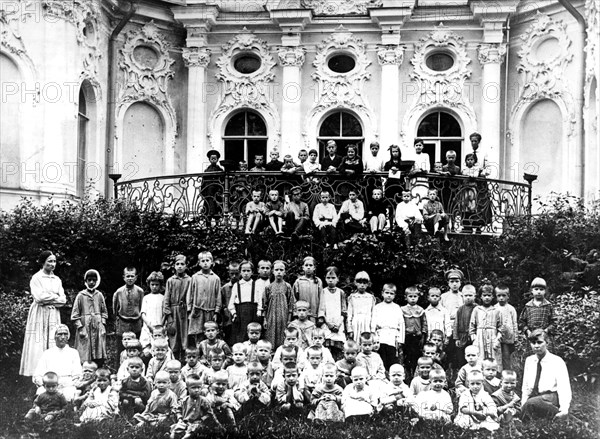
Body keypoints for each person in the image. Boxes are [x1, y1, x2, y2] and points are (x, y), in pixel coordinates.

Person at [20, 250, 67, 377]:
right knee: (38, 342)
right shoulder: (36, 278)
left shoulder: (57, 279)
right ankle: (37, 376)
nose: (53, 264)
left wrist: (49, 299)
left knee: (52, 340)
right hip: (39, 314)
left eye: (54, 261)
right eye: (49, 261)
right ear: (43, 263)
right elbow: (39, 297)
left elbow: (63, 299)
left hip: (53, 314)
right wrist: (54, 297)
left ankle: (52, 374)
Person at [521, 329, 571, 421]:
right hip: (534, 395)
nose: (536, 346)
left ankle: (563, 416)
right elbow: (526, 386)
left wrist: (564, 409)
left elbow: (564, 387)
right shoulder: (529, 360)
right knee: (526, 405)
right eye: (533, 343)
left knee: (530, 404)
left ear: (547, 343)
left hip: (550, 396)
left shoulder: (556, 361)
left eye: (540, 342)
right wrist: (523, 404)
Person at [33, 324, 82, 401]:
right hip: (49, 385)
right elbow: (38, 374)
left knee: (70, 395)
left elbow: (77, 374)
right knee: (41, 393)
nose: (63, 337)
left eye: (65, 334)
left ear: (68, 336)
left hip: (67, 386)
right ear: (55, 336)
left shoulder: (74, 353)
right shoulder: (47, 353)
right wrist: (47, 384)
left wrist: (68, 383)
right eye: (60, 334)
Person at [72, 269, 108, 366]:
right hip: (85, 326)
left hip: (98, 326)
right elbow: (75, 315)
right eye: (89, 280)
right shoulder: (81, 295)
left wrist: (102, 325)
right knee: (85, 350)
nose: (91, 282)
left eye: (94, 280)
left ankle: (98, 369)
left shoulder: (99, 295)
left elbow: (104, 312)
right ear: (85, 281)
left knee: (98, 350)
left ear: (97, 281)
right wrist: (80, 327)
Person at [188, 251, 222, 345]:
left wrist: (216, 311)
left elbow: (218, 296)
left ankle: (210, 354)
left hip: (210, 311)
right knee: (198, 334)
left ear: (212, 262)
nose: (205, 263)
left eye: (207, 260)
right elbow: (190, 294)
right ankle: (198, 353)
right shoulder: (195, 277)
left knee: (210, 333)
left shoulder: (215, 278)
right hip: (197, 311)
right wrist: (189, 310)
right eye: (203, 261)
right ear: (199, 263)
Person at [170, 374, 219, 439]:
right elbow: (178, 410)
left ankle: (185, 437)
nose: (197, 390)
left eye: (199, 387)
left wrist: (202, 419)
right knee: (176, 428)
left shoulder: (203, 400)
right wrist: (180, 418)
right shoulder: (184, 400)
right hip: (185, 422)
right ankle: (172, 436)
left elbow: (209, 413)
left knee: (193, 429)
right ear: (187, 389)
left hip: (197, 423)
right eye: (193, 388)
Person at [469, 284, 503, 371]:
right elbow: (472, 327)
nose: (487, 298)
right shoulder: (477, 309)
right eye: (484, 295)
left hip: (492, 337)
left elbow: (501, 327)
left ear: (493, 297)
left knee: (494, 357)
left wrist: (497, 339)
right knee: (480, 357)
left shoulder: (496, 310)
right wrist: (475, 339)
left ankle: (494, 377)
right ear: (480, 296)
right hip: (480, 337)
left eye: (489, 295)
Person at [164, 255, 191, 359]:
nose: (180, 266)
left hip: (185, 311)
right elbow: (166, 299)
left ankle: (185, 361)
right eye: (177, 264)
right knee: (174, 335)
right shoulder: (171, 280)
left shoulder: (189, 279)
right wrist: (168, 315)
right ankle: (174, 360)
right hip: (173, 311)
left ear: (186, 266)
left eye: (182, 264)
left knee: (185, 337)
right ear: (174, 266)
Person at [372, 283, 405, 371]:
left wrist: (400, 339)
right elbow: (373, 323)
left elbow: (401, 324)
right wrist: (374, 336)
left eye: (391, 294)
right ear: (382, 293)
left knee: (392, 357)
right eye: (387, 293)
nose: (389, 295)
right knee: (381, 357)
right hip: (381, 335)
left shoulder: (397, 307)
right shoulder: (377, 307)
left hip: (392, 336)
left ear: (395, 295)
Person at [263, 260, 295, 349]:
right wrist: (265, 319)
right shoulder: (268, 287)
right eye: (277, 270)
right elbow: (264, 305)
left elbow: (290, 304)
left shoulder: (287, 286)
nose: (279, 272)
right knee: (271, 334)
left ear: (284, 272)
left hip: (283, 316)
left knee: (283, 334)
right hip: (271, 316)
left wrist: (289, 319)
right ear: (273, 271)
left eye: (281, 270)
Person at [113, 267, 145, 354]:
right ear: (124, 277)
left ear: (136, 277)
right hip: (123, 323)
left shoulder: (140, 291)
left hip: (136, 322)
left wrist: (141, 321)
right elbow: (115, 309)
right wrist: (116, 321)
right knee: (121, 347)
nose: (130, 278)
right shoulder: (119, 292)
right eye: (128, 276)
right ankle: (119, 366)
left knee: (136, 346)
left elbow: (142, 307)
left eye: (132, 276)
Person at [318, 266, 347, 360]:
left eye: (333, 278)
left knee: (338, 349)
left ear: (338, 278)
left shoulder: (341, 292)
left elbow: (344, 310)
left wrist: (338, 324)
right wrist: (328, 323)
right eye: (328, 278)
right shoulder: (323, 291)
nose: (331, 280)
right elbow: (321, 309)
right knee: (327, 349)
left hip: (338, 324)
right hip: (327, 325)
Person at [229, 260, 261, 344]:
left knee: (253, 331)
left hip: (253, 311)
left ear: (252, 272)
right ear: (240, 272)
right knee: (241, 332)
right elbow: (231, 302)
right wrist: (234, 313)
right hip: (240, 312)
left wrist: (259, 311)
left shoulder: (256, 284)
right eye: (243, 271)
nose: (246, 273)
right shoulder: (237, 285)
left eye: (248, 271)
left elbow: (260, 299)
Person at [401, 286, 428, 377]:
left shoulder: (420, 310)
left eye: (415, 296)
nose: (413, 298)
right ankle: (408, 375)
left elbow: (424, 323)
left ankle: (416, 374)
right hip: (407, 337)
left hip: (417, 337)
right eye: (410, 296)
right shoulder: (402, 309)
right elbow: (401, 323)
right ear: (406, 297)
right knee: (407, 357)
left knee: (416, 357)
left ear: (418, 297)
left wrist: (423, 335)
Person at [519, 277, 554, 343]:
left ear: (545, 291)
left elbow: (554, 321)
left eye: (541, 289)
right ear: (532, 290)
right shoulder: (528, 306)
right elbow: (521, 322)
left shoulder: (548, 305)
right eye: (536, 289)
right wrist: (528, 332)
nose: (538, 292)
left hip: (545, 336)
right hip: (532, 336)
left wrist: (546, 331)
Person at [140, 271, 166, 357]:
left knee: (159, 347)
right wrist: (148, 324)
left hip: (159, 326)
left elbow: (165, 313)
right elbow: (143, 313)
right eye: (152, 284)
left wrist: (161, 325)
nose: (154, 287)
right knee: (147, 349)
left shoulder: (163, 298)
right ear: (149, 285)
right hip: (148, 326)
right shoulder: (146, 298)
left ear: (160, 285)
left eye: (157, 285)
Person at [346, 271, 376, 343]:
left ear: (368, 284)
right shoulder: (352, 297)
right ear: (355, 283)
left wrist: (372, 329)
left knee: (366, 343)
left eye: (364, 283)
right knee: (355, 343)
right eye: (359, 282)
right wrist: (349, 329)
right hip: (356, 323)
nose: (362, 285)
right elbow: (349, 314)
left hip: (367, 323)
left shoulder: (371, 297)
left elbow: (373, 314)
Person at [453, 284, 476, 368]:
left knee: (473, 355)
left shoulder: (477, 308)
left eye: (470, 295)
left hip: (473, 336)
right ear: (462, 296)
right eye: (466, 296)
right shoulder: (460, 309)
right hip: (462, 336)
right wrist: (456, 338)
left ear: (475, 296)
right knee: (461, 357)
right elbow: (456, 324)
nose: (468, 297)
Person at [495, 284, 518, 371]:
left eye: (503, 295)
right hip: (497, 338)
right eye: (499, 295)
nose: (501, 298)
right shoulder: (494, 308)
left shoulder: (511, 309)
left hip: (508, 338)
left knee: (506, 357)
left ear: (508, 296)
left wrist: (516, 337)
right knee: (497, 358)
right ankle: (498, 375)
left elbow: (514, 323)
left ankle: (507, 375)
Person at [292, 256, 322, 322]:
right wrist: (295, 314)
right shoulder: (298, 281)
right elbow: (294, 299)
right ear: (303, 267)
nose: (308, 267)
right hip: (301, 315)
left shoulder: (318, 281)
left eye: (311, 265)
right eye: (306, 265)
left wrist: (320, 315)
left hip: (314, 315)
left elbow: (321, 299)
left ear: (314, 268)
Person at [220, 262, 240, 347]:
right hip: (228, 320)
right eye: (232, 274)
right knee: (228, 339)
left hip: (240, 317)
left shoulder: (243, 286)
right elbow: (221, 304)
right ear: (229, 274)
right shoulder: (225, 288)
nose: (234, 276)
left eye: (236, 274)